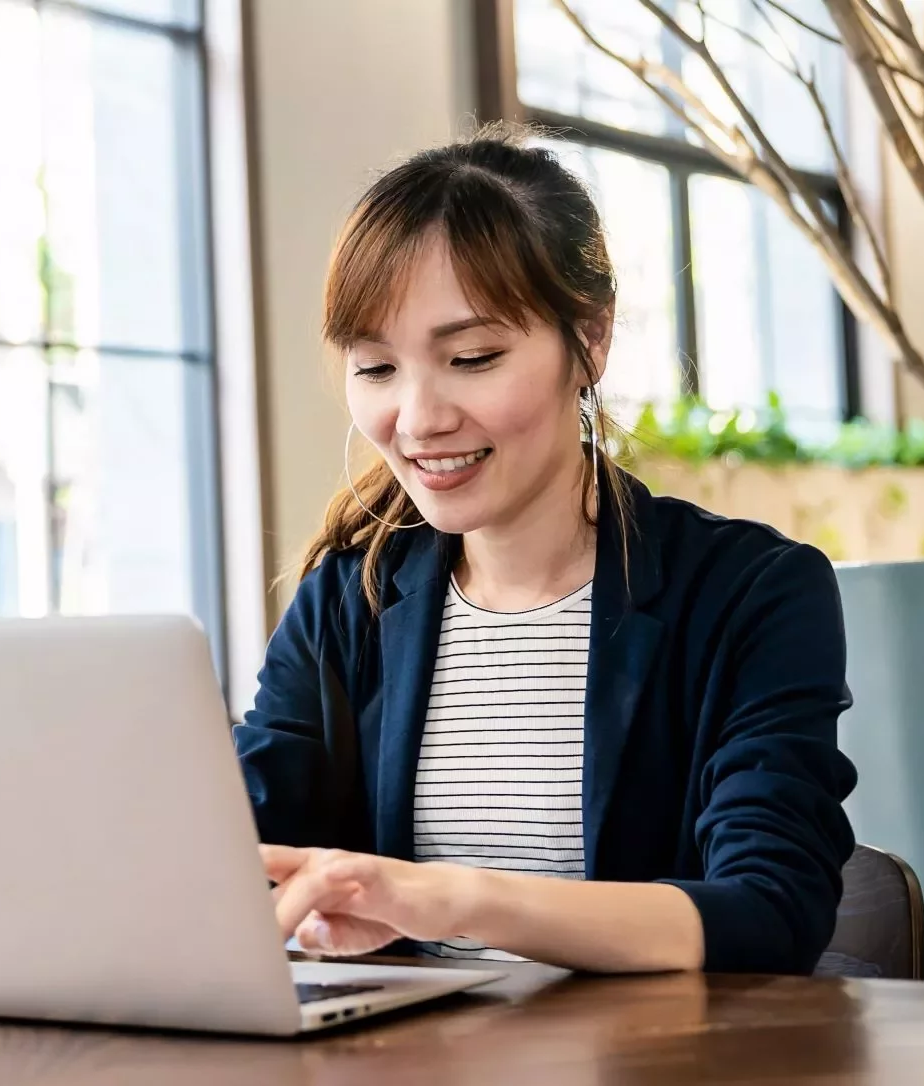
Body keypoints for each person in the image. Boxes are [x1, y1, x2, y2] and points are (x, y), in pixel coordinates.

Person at [237, 123, 857, 975]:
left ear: (590, 340)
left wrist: (450, 897)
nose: (418, 420)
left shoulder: (750, 592)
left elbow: (770, 909)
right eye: (376, 368)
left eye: (472, 357)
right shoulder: (353, 597)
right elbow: (231, 845)